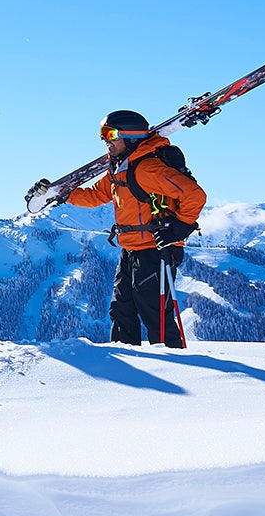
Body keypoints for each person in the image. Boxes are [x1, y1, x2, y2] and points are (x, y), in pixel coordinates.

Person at [60, 110, 207, 348]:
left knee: (155, 314)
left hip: (155, 250)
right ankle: (127, 363)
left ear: (130, 137)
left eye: (110, 134)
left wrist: (179, 228)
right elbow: (95, 196)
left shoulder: (146, 169)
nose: (105, 141)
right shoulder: (120, 169)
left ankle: (176, 367)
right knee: (121, 310)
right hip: (130, 249)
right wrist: (65, 196)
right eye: (103, 135)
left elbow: (194, 194)